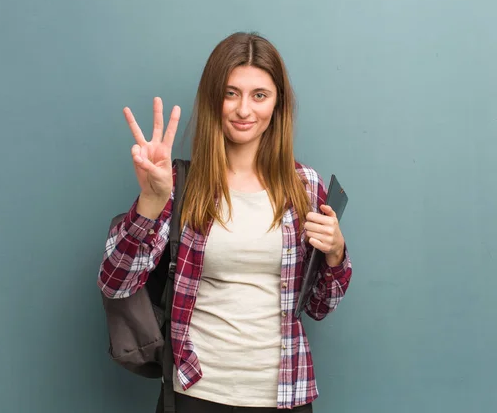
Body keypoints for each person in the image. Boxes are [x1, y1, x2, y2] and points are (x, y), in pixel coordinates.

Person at [98, 32, 352, 412]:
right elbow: (115, 283)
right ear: (213, 99)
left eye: (259, 95)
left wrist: (335, 253)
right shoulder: (181, 185)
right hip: (197, 393)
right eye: (231, 93)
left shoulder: (306, 186)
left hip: (286, 394)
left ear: (277, 103)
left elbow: (319, 307)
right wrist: (152, 199)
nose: (244, 110)